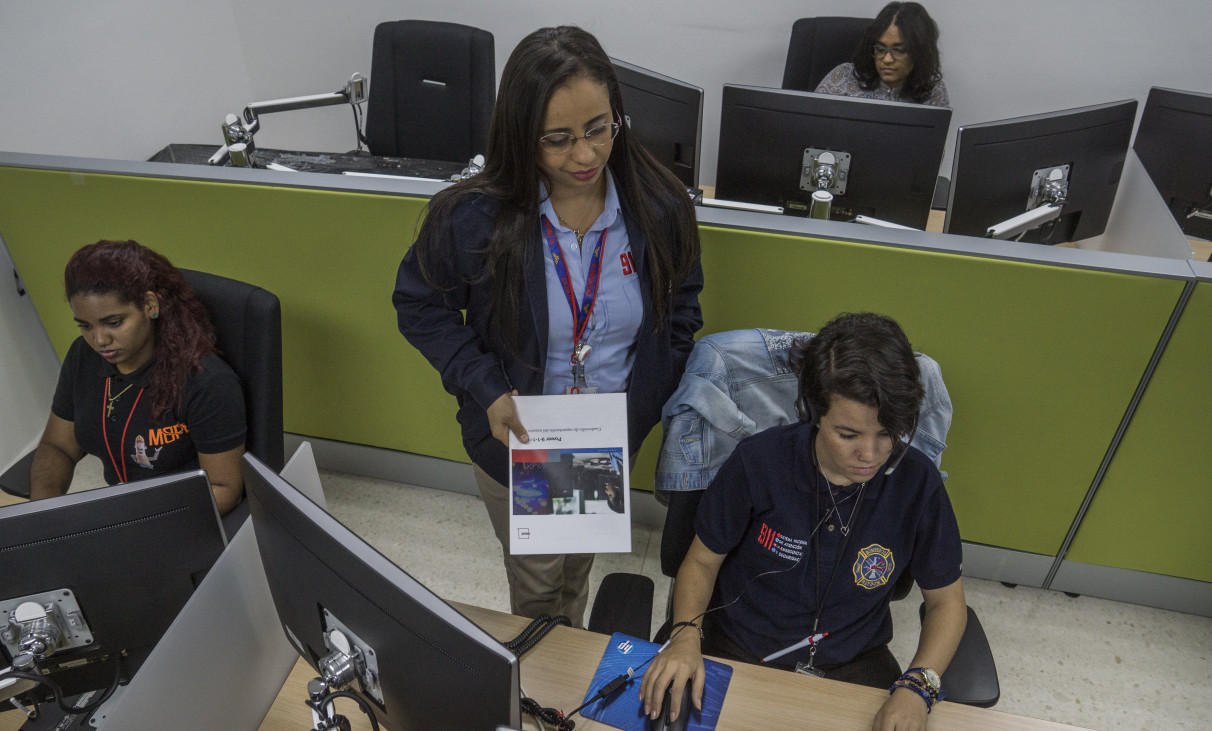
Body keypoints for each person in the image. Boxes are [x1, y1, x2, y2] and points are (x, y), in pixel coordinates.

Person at [393, 26, 703, 627]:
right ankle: (541, 667)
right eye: (557, 140)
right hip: (522, 438)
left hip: (605, 439)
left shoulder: (659, 208)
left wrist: (651, 392)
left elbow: (682, 305)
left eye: (599, 129)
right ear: (519, 134)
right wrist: (485, 387)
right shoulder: (473, 217)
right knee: (538, 589)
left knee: (575, 572)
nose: (584, 156)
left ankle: (564, 650)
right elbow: (420, 306)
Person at [640, 313, 966, 730]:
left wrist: (918, 685)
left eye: (887, 433)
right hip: (735, 649)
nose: (870, 455)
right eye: (848, 435)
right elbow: (702, 562)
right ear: (811, 411)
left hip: (852, 664)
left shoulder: (917, 483)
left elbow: (947, 603)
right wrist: (685, 634)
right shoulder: (759, 462)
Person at [29, 240, 247, 515]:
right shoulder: (83, 356)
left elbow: (224, 488)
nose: (99, 340)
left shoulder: (206, 381)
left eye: (114, 323)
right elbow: (58, 446)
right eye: (85, 326)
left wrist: (137, 521)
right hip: (121, 510)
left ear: (149, 305)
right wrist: (43, 512)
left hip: (180, 516)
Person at [814, 2, 950, 107]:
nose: (887, 59)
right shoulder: (843, 77)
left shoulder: (932, 90)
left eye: (899, 50)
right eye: (880, 49)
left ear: (919, 52)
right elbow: (809, 126)